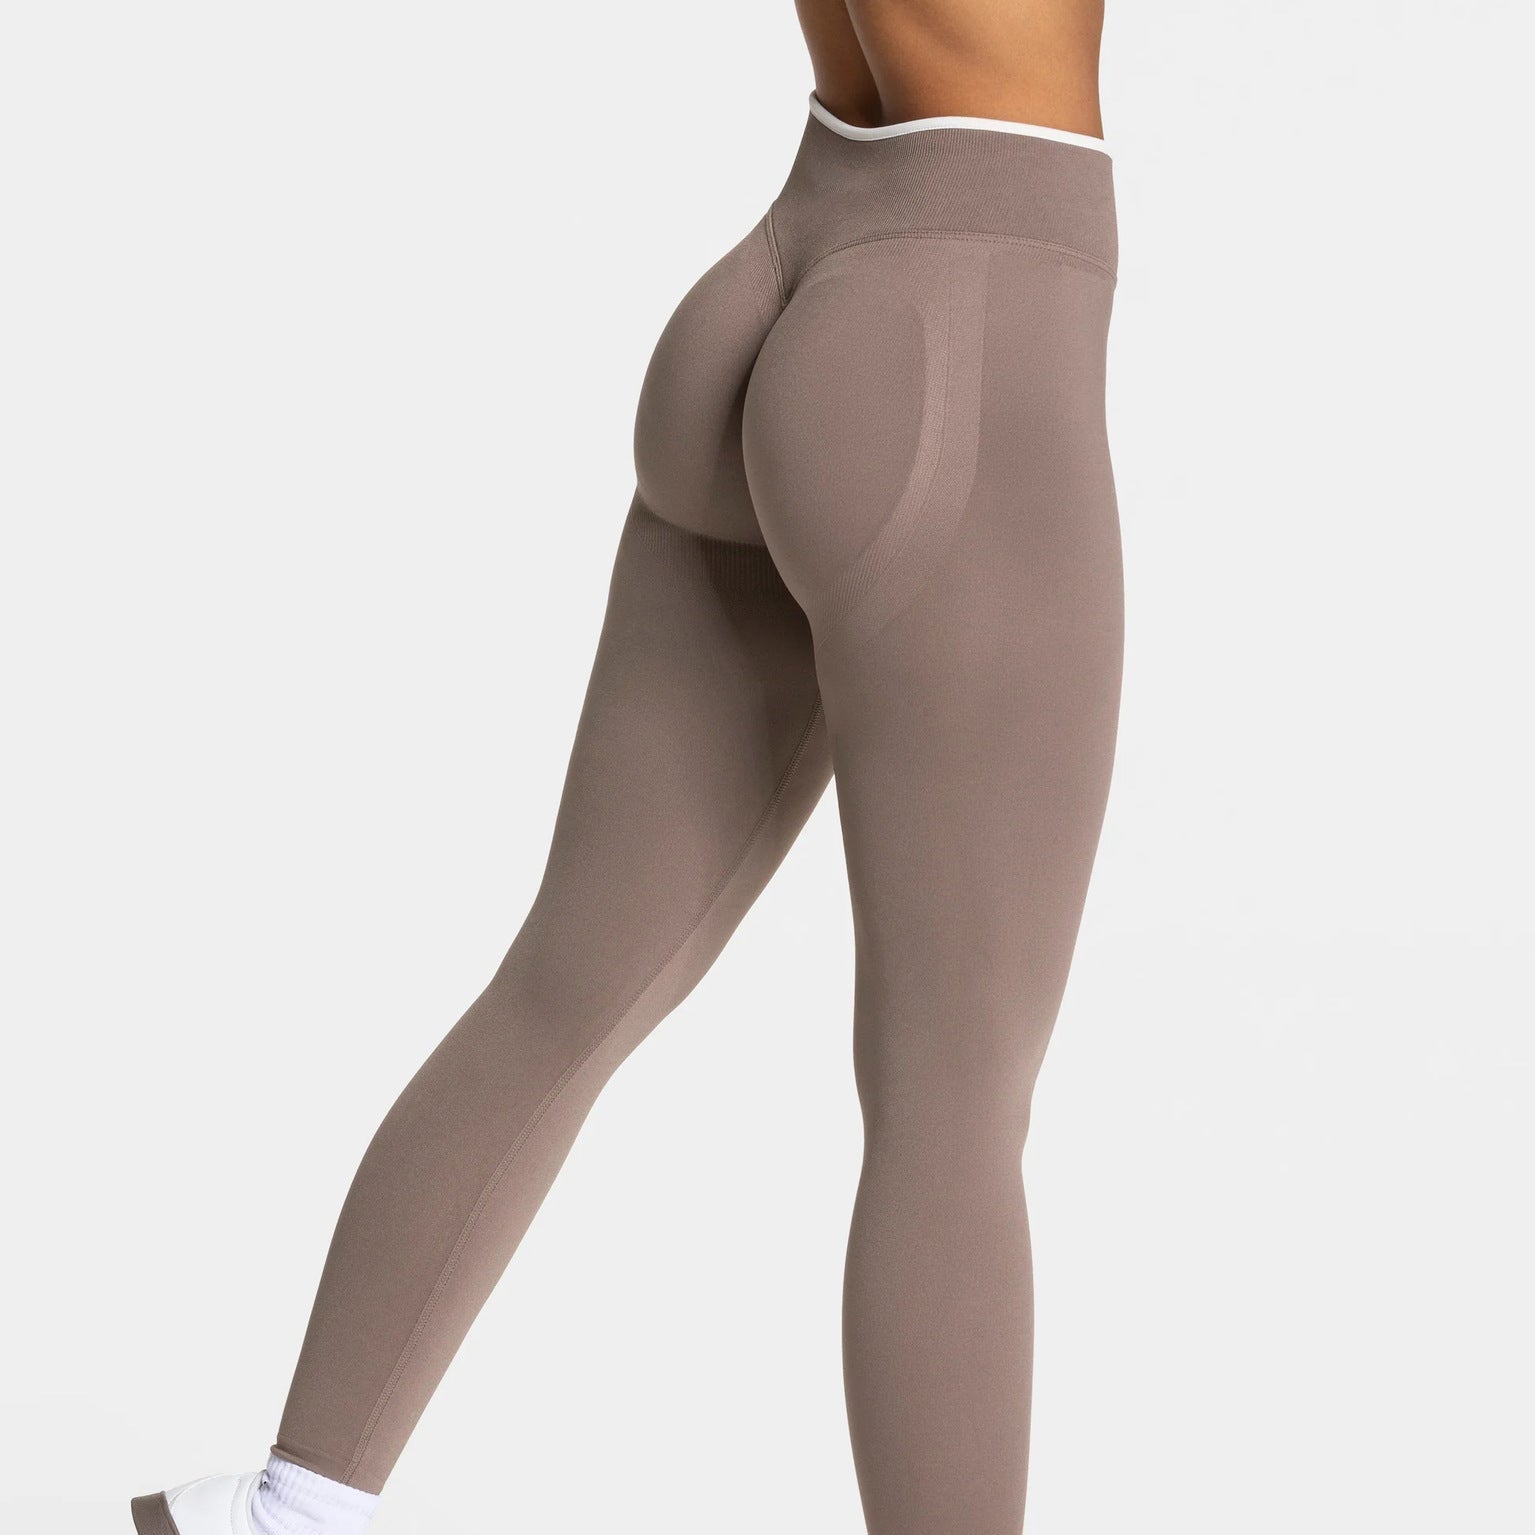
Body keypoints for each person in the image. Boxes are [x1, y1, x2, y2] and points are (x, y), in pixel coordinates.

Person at [131, 1, 1120, 1531]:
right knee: (953, 1100)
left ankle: (290, 1510)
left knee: (563, 986)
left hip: (783, 275)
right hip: (966, 329)